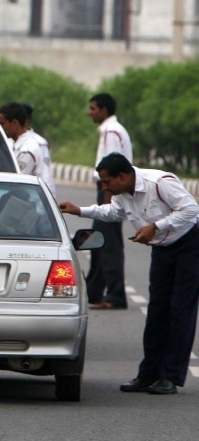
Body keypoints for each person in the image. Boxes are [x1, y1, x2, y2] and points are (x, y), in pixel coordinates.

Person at [60, 152, 199, 395]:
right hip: (162, 248)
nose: (105, 187)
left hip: (189, 244)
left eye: (107, 182)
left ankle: (171, 376)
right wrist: (79, 210)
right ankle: (148, 374)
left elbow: (190, 209)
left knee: (180, 310)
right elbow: (113, 213)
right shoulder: (122, 194)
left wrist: (154, 227)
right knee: (157, 310)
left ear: (122, 176)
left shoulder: (160, 183)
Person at [86, 92, 134, 309]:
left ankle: (116, 295)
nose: (90, 113)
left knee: (109, 243)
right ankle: (93, 292)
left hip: (110, 190)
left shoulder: (112, 131)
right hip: (108, 189)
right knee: (98, 240)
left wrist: (108, 197)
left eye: (93, 108)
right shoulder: (110, 130)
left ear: (104, 111)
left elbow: (113, 169)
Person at [0, 102, 57, 199]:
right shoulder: (14, 143)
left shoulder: (28, 149)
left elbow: (15, 181)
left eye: (2, 124)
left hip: (30, 203)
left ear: (14, 123)